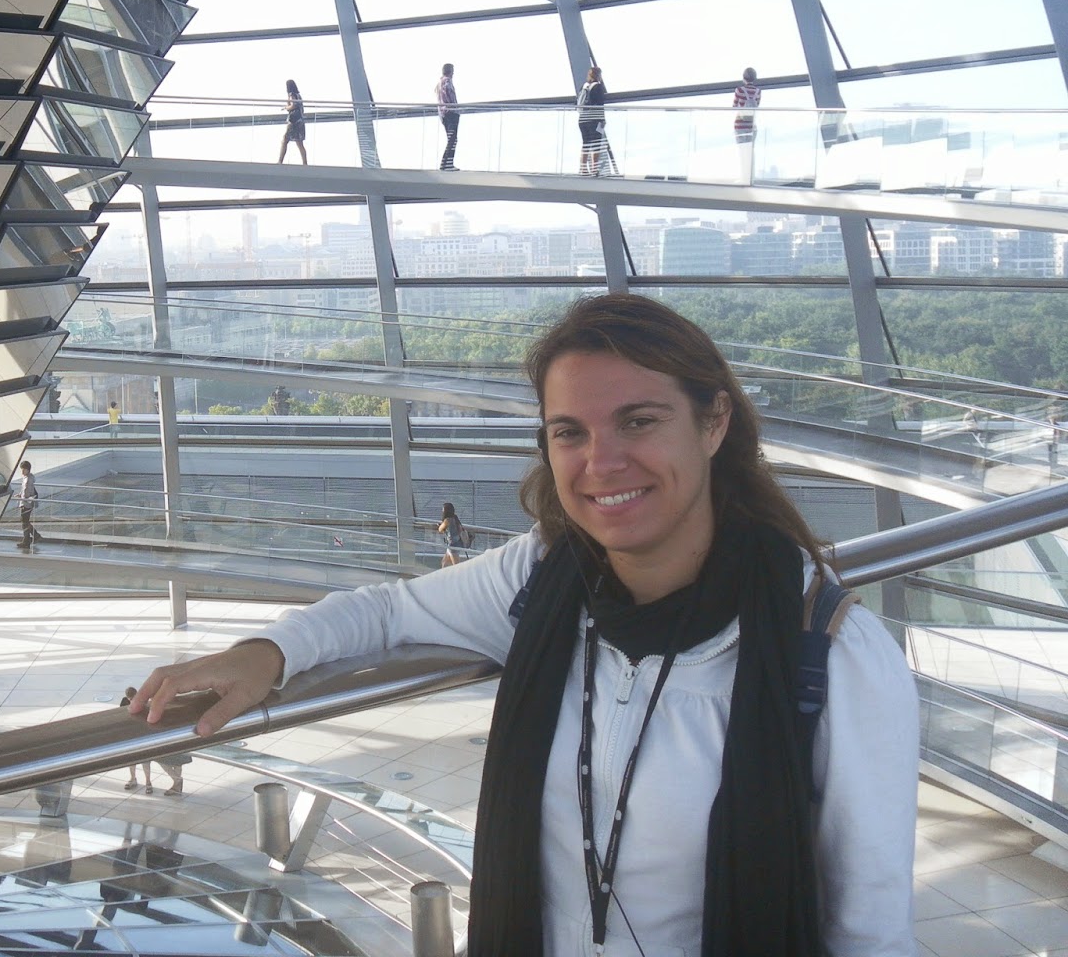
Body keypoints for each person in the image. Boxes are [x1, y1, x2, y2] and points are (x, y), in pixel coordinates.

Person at [129, 293, 918, 955]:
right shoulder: (544, 580)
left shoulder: (831, 654)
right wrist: (268, 652)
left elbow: (870, 932)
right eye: (570, 432)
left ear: (714, 423)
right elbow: (389, 610)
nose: (601, 462)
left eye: (639, 421)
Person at [577, 65, 615, 176]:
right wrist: (603, 121)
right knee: (596, 144)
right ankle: (594, 169)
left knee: (586, 143)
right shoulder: (598, 87)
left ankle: (583, 169)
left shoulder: (584, 86)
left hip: (582, 120)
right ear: (598, 75)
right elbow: (600, 103)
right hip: (595, 119)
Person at [118, 687, 154, 792]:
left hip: (142, 736)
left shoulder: (144, 702)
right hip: (131, 736)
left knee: (145, 761)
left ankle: (148, 782)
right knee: (131, 760)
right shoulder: (125, 702)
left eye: (132, 698)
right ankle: (133, 778)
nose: (131, 701)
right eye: (130, 699)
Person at [733, 66, 761, 182]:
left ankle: (743, 178)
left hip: (740, 125)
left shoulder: (739, 90)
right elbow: (757, 105)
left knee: (742, 152)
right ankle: (750, 178)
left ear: (743, 78)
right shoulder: (758, 91)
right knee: (750, 152)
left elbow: (734, 106)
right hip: (751, 125)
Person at [278, 79, 307, 164]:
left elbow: (293, 105)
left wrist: (286, 107)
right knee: (299, 142)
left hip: (293, 121)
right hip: (300, 120)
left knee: (285, 140)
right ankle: (305, 163)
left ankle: (280, 161)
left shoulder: (292, 94)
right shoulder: (299, 95)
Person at [436, 63, 459, 171]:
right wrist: (457, 108)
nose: (453, 73)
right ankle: (447, 164)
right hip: (450, 113)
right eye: (453, 70)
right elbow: (451, 97)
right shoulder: (447, 81)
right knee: (453, 139)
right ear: (450, 71)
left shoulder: (439, 83)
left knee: (451, 139)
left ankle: (446, 164)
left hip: (444, 114)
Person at [17, 459, 40, 551]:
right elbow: (25, 490)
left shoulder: (28, 479)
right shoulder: (27, 478)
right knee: (25, 521)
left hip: (26, 503)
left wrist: (23, 497)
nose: (22, 471)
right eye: (22, 469)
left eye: (23, 469)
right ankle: (29, 539)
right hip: (25, 502)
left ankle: (30, 538)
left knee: (24, 522)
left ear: (27, 469)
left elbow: (27, 491)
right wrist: (20, 495)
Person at [437, 501, 468, 567]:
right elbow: (459, 529)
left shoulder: (447, 520)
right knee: (444, 563)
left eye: (443, 509)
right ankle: (445, 574)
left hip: (452, 545)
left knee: (456, 566)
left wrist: (441, 525)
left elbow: (440, 529)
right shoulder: (455, 518)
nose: (442, 511)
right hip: (456, 542)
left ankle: (461, 574)